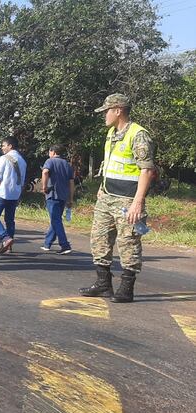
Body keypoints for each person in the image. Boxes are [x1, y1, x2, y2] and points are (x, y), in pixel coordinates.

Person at [79, 94, 156, 303]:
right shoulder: (112, 133)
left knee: (128, 242)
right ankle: (103, 284)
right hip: (107, 196)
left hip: (127, 200)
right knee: (99, 239)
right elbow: (112, 165)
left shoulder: (138, 134)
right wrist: (102, 188)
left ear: (118, 110)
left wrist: (138, 202)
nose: (104, 115)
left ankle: (127, 287)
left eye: (107, 111)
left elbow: (146, 171)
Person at [0, 136, 27, 254]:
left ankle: (5, 238)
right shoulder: (22, 160)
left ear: (10, 146)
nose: (2, 147)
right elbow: (22, 180)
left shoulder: (3, 159)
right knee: (10, 220)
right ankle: (9, 246)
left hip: (1, 192)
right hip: (14, 194)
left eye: (4, 145)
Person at [40, 144, 75, 254]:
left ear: (53, 152)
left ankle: (65, 245)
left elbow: (45, 172)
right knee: (56, 219)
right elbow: (71, 182)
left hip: (52, 194)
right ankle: (47, 243)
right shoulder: (67, 164)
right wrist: (70, 198)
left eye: (49, 152)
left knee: (56, 220)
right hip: (63, 196)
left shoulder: (49, 161)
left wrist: (44, 187)